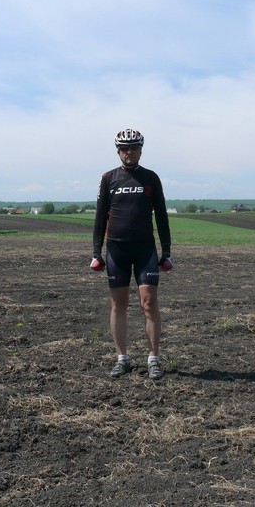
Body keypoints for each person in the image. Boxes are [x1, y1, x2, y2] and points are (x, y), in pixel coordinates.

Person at [91, 128, 173, 380]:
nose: (129, 152)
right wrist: (96, 252)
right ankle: (122, 358)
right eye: (124, 149)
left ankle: (154, 358)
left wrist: (167, 251)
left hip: (145, 249)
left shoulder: (151, 178)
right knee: (119, 305)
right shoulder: (109, 178)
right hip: (116, 250)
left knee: (149, 303)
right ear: (118, 152)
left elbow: (161, 215)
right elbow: (99, 217)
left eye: (134, 148)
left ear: (140, 150)